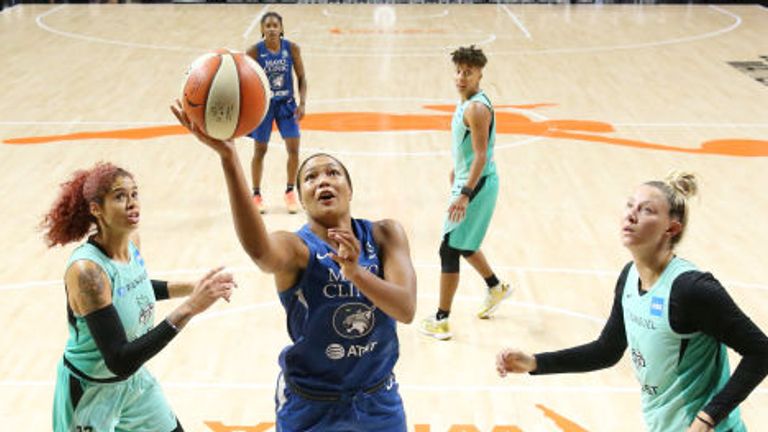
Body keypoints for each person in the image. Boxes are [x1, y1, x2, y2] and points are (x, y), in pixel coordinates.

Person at [172, 101, 417, 431]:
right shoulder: (297, 248)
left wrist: (356, 273)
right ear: (302, 198)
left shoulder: (385, 234)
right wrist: (229, 160)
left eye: (333, 173)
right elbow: (260, 252)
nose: (323, 181)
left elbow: (406, 308)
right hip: (313, 404)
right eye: (311, 178)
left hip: (378, 400)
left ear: (349, 189)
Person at [496, 172, 768, 432]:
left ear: (671, 228)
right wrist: (534, 363)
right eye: (630, 206)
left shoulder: (691, 290)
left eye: (647, 210)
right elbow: (607, 350)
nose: (631, 215)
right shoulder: (630, 277)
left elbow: (761, 352)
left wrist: (707, 418)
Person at [45, 162, 236, 432]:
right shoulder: (87, 271)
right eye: (119, 196)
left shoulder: (133, 243)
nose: (132, 203)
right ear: (95, 209)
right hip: (91, 391)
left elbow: (135, 288)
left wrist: (195, 286)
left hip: (133, 384)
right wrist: (190, 307)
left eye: (134, 194)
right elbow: (119, 360)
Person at [418, 45, 511, 341]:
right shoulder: (466, 102)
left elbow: (481, 155)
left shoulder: (476, 108)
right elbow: (469, 151)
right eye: (458, 71)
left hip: (477, 185)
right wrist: (457, 171)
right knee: (464, 242)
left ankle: (442, 320)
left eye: (468, 72)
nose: (461, 77)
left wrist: (465, 192)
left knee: (449, 247)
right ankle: (496, 287)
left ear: (480, 74)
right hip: (468, 180)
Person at [246, 11, 307, 215]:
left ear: (281, 28)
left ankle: (290, 192)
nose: (272, 29)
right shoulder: (255, 51)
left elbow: (301, 77)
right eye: (268, 25)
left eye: (275, 25)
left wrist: (303, 103)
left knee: (294, 149)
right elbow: (245, 79)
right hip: (264, 106)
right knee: (260, 151)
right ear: (262, 30)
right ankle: (256, 194)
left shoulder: (292, 49)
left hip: (286, 105)